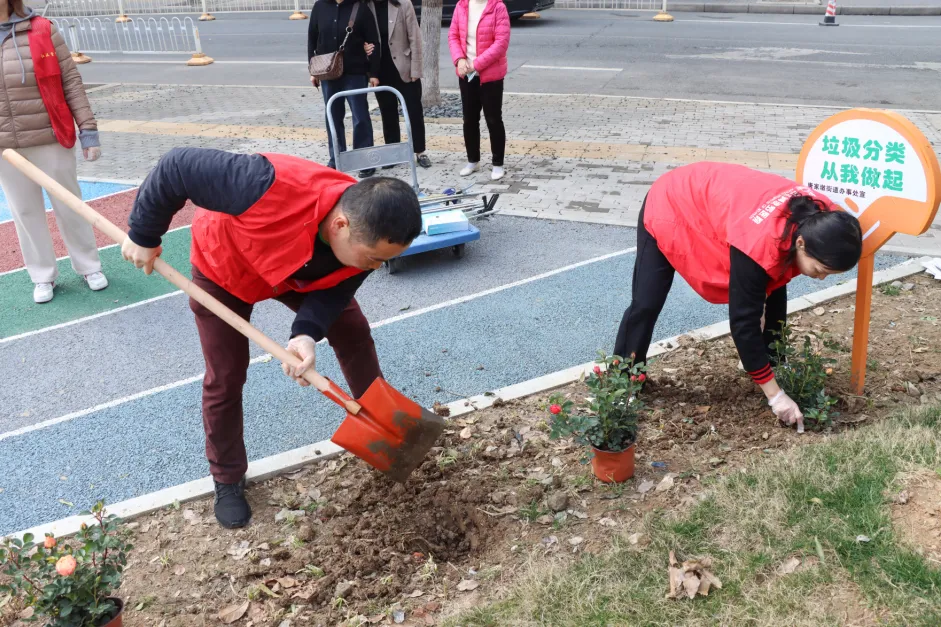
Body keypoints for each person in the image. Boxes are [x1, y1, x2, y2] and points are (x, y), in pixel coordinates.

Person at [122, 147, 422, 529]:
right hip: (228, 265)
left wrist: (306, 334)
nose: (377, 268)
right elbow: (175, 166)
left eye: (384, 260)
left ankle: (385, 427)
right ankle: (227, 479)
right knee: (226, 375)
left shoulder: (368, 238)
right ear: (342, 225)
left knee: (353, 330)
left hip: (299, 272)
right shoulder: (262, 183)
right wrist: (144, 234)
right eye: (373, 259)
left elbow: (336, 291)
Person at [613, 162, 863, 433]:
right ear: (800, 243)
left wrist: (768, 361)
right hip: (672, 202)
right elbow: (743, 323)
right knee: (646, 302)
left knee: (773, 283)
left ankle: (772, 361)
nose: (822, 278)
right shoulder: (759, 242)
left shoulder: (823, 220)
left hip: (722, 201)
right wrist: (775, 397)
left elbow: (774, 280)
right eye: (821, 270)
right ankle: (622, 379)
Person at [0, 0, 105, 304]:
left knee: (69, 204)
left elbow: (71, 81)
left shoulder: (42, 29)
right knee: (24, 211)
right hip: (6, 148)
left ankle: (89, 266)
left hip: (49, 135)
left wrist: (88, 130)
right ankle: (42, 275)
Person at [308, 0, 381, 178]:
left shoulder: (360, 8)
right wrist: (312, 70)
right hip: (327, 73)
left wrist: (373, 73)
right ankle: (336, 158)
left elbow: (374, 41)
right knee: (332, 117)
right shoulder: (320, 6)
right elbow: (312, 39)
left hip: (355, 72)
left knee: (360, 117)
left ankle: (364, 161)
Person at [365, 0, 431, 169]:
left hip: (404, 67)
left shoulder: (403, 4)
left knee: (414, 110)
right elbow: (359, 35)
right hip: (380, 70)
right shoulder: (364, 6)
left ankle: (420, 151)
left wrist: (416, 69)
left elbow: (415, 37)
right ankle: (393, 153)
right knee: (387, 113)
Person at [448, 0, 510, 181]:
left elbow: (501, 43)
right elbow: (453, 35)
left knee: (493, 119)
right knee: (469, 119)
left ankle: (498, 164)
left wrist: (475, 64)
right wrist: (459, 59)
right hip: (466, 74)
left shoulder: (498, 7)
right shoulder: (461, 6)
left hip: (490, 74)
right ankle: (472, 160)